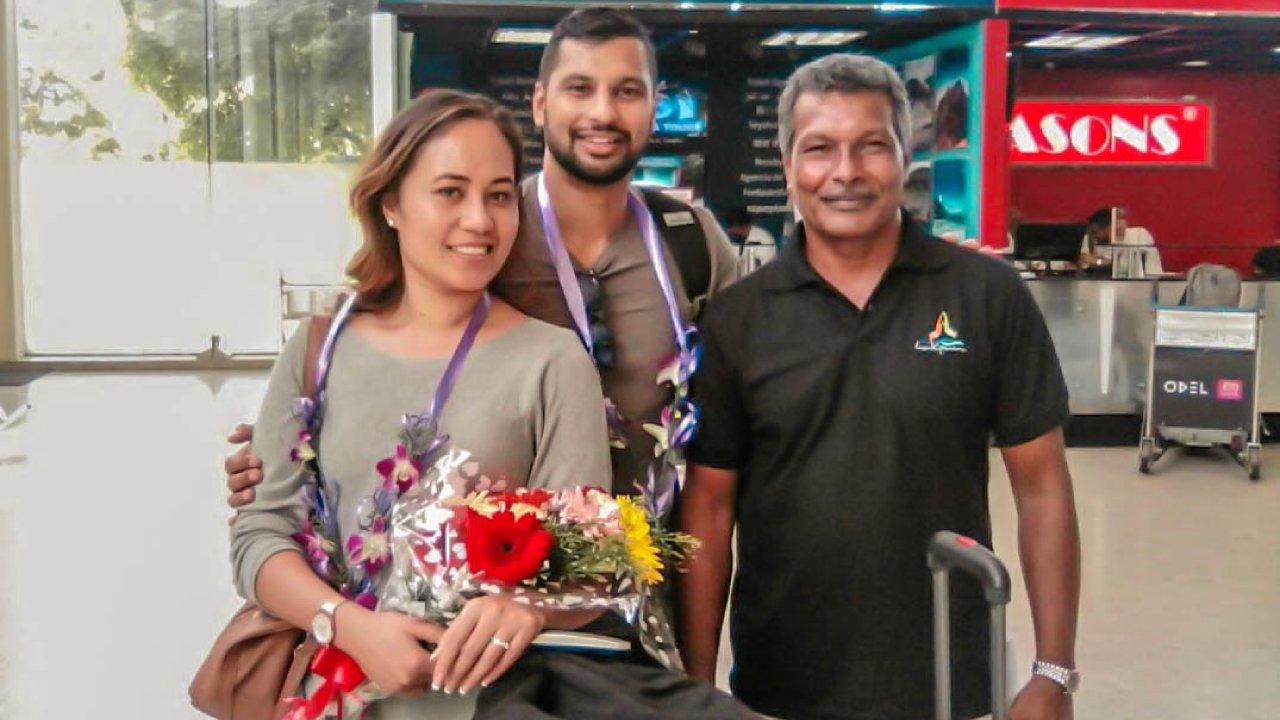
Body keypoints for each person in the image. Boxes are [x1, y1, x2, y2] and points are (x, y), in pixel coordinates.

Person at [676, 53, 1081, 720]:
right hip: (781, 686)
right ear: (787, 165)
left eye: (871, 145)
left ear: (906, 156)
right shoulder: (737, 320)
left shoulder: (987, 296)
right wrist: (692, 688)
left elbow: (1042, 488)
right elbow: (709, 510)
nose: (846, 172)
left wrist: (1053, 672)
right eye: (819, 149)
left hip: (948, 681)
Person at [225, 7, 739, 506]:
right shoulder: (482, 234)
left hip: (653, 552)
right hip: (492, 555)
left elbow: (741, 411)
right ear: (539, 104)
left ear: (654, 105)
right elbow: (385, 338)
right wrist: (299, 439)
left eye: (627, 92)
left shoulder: (691, 244)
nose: (602, 113)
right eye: (579, 89)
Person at [231, 90, 612, 718]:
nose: (480, 220)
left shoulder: (553, 361)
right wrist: (349, 625)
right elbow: (259, 534)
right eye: (450, 192)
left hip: (490, 703)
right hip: (329, 697)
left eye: (498, 196)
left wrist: (527, 607)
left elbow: (587, 562)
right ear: (391, 206)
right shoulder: (320, 347)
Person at [1078, 208, 1162, 275]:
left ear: (1108, 228)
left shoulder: (1140, 235)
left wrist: (1099, 262)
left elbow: (1132, 268)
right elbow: (1085, 264)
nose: (1093, 237)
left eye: (1095, 232)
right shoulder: (1091, 239)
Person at [724, 205, 779, 274]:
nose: (728, 231)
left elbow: (763, 267)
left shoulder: (763, 239)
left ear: (738, 226)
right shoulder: (739, 238)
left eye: (730, 228)